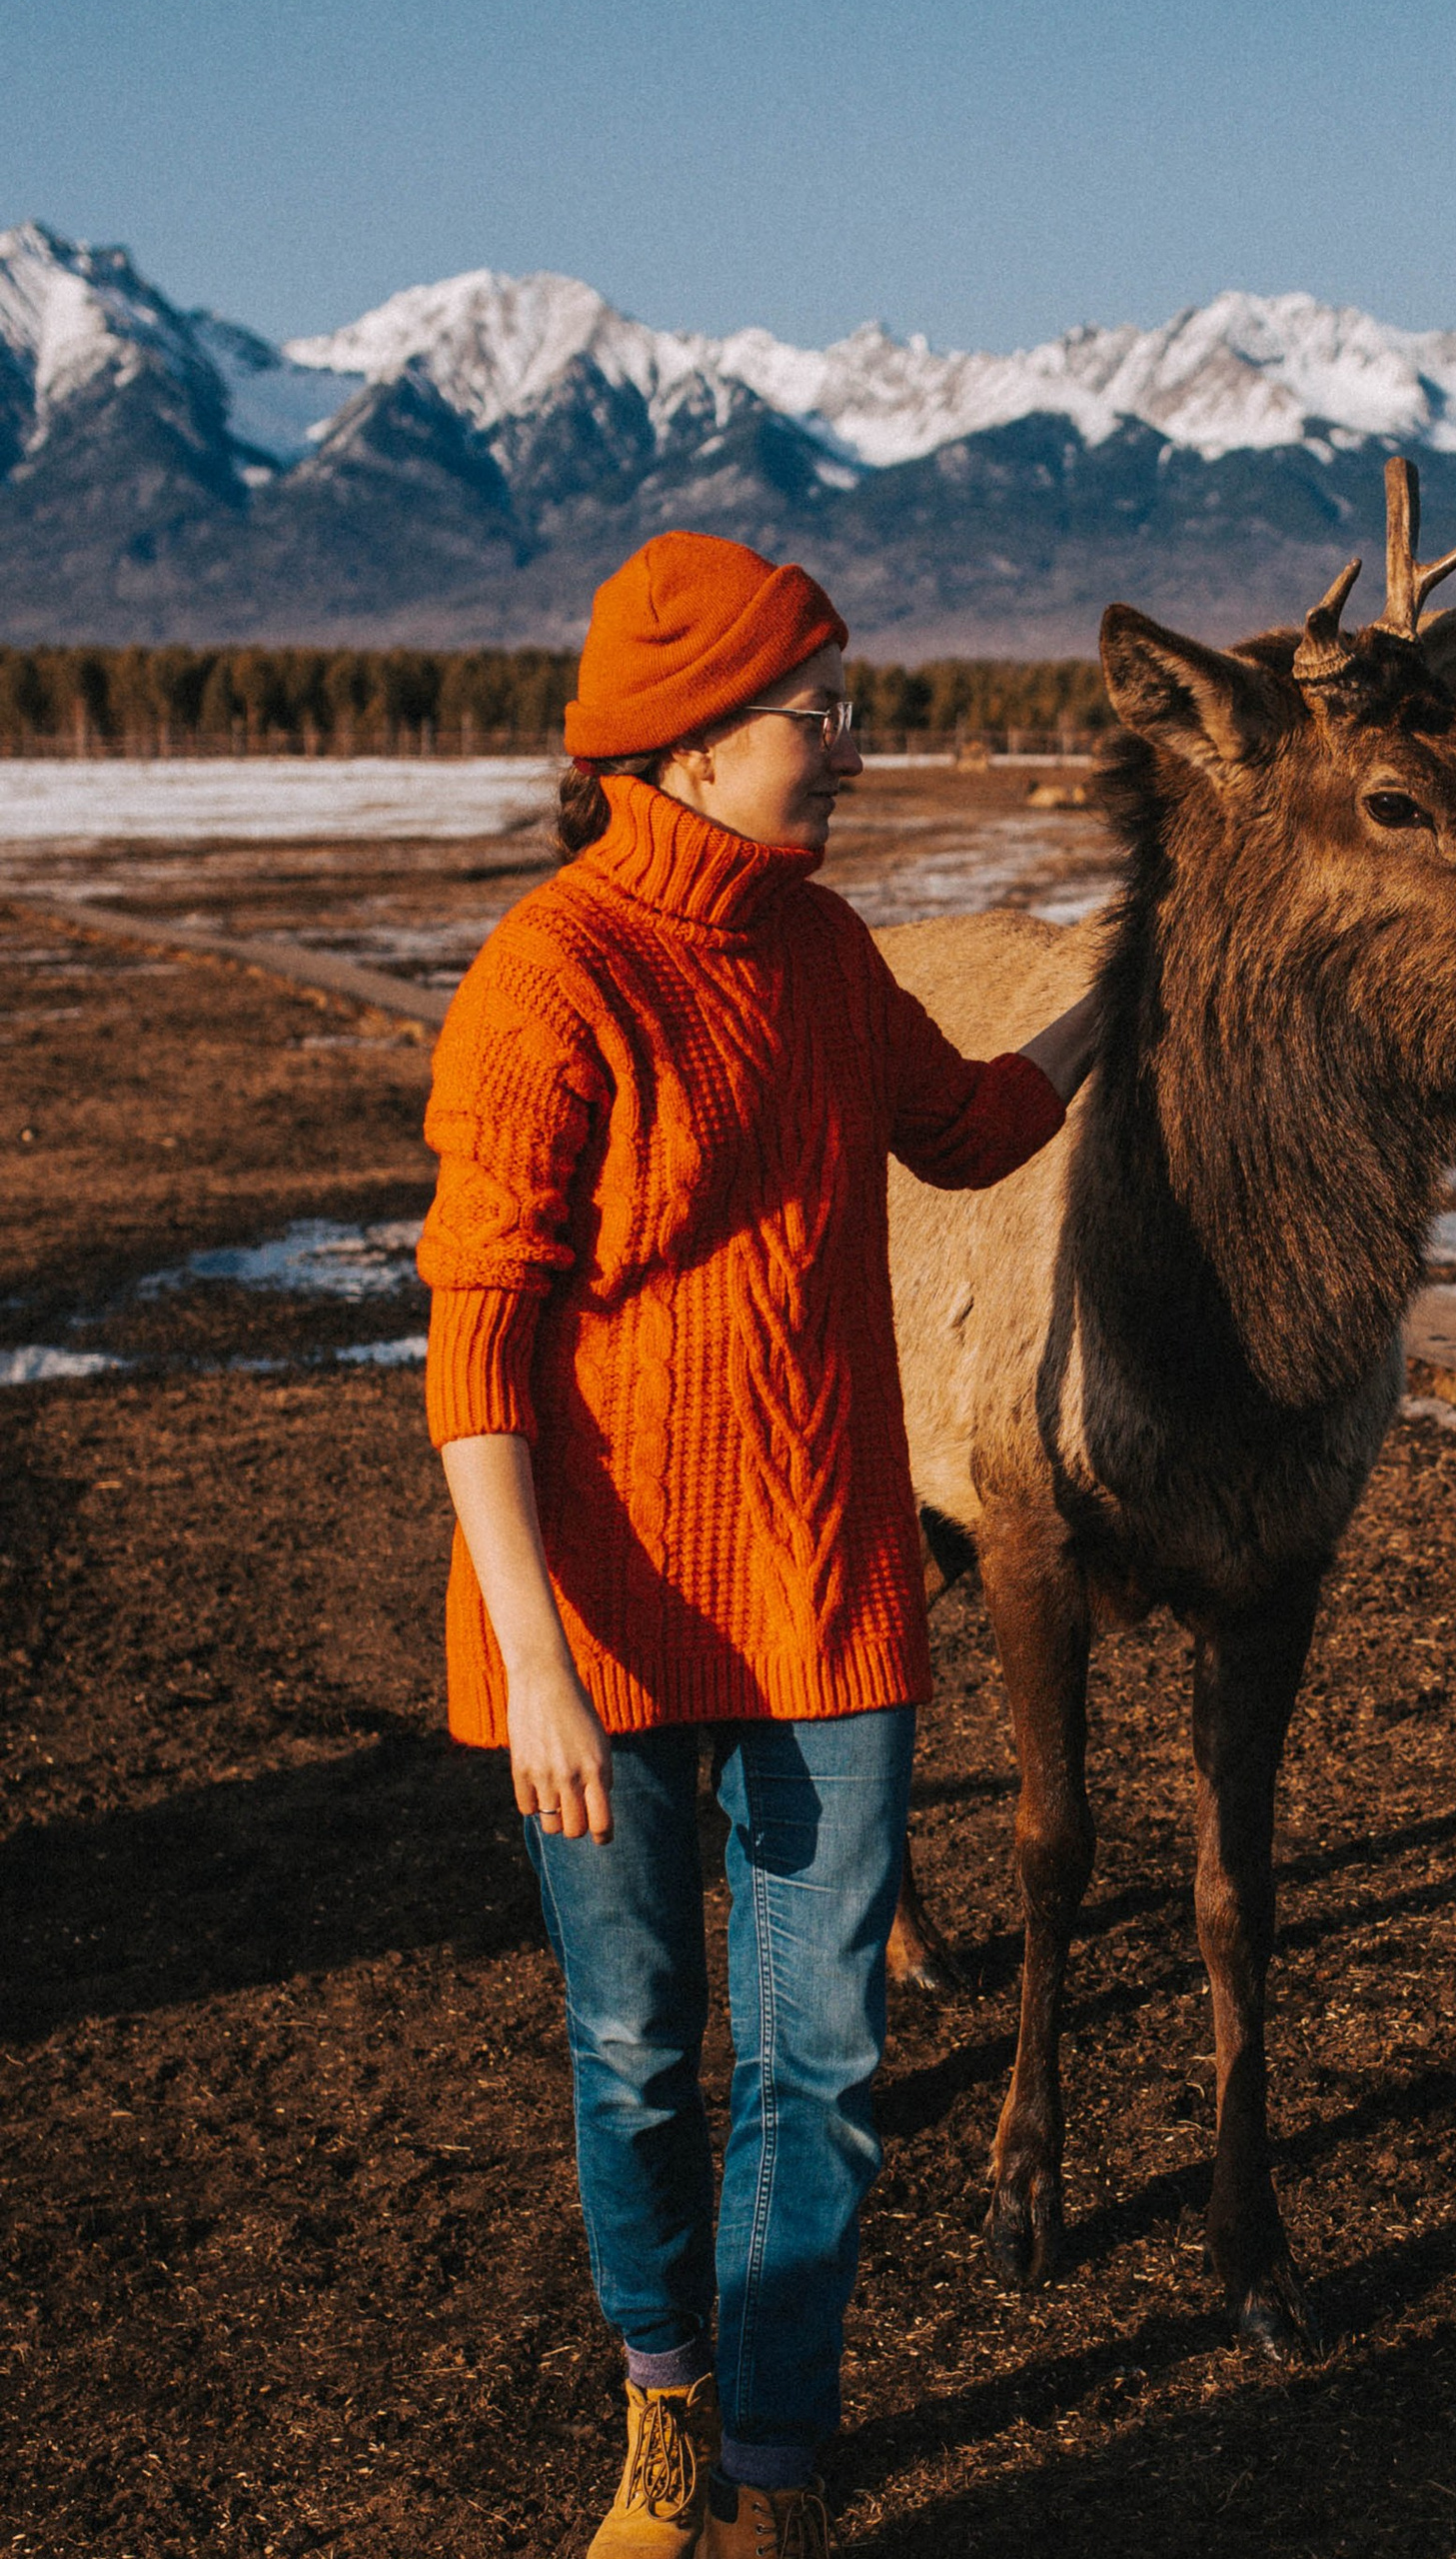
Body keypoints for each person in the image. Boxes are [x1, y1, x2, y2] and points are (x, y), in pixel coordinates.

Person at [420, 531, 1098, 2559]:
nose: (850, 743)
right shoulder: (547, 978)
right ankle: (667, 2405)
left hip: (818, 1592)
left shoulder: (816, 948)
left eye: (847, 703)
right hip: (600, 1623)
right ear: (690, 742)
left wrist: (1109, 1001)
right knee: (637, 2051)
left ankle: (782, 2468)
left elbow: (967, 1126)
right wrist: (532, 1650)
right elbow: (475, 1339)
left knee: (822, 2063)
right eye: (820, 711)